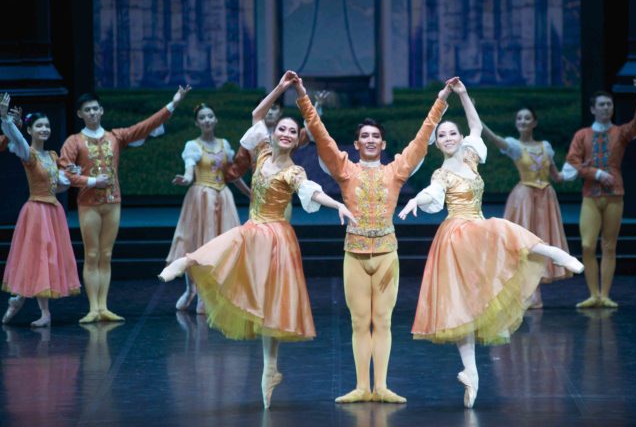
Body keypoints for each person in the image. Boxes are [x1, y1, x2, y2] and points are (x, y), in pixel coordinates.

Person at [159, 72, 355, 409]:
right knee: (230, 243)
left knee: (270, 307)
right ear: (275, 133)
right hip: (255, 226)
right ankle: (187, 261)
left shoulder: (295, 171)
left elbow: (314, 192)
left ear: (296, 140)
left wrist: (338, 203)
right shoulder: (262, 152)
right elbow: (256, 117)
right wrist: (280, 89)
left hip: (276, 237)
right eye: (282, 129)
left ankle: (270, 369)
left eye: (292, 131)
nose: (285, 133)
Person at [398, 79, 583, 408]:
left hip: (477, 227)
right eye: (442, 135)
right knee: (462, 306)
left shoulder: (470, 158)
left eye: (452, 133)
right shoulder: (440, 174)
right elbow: (433, 194)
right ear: (437, 143)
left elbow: (475, 126)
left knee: (504, 233)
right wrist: (417, 201)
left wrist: (464, 94)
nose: (449, 138)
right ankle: (471, 373)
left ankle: (556, 254)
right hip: (456, 236)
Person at [294, 74, 450, 404]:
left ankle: (381, 386)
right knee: (359, 322)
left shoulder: (394, 170)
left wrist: (441, 100)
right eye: (364, 136)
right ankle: (361, 387)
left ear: (383, 144)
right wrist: (302, 96)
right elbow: (320, 137)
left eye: (375, 136)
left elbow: (423, 138)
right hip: (354, 254)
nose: (369, 140)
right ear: (356, 143)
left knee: (383, 321)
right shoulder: (346, 169)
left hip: (386, 255)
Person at [59, 86, 191, 323]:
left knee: (106, 254)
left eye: (95, 109)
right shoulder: (74, 142)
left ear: (102, 110)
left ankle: (104, 306)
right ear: (80, 114)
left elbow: (145, 126)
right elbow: (63, 174)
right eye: (87, 110)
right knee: (92, 254)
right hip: (88, 203)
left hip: (113, 202)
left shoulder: (115, 137)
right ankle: (93, 308)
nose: (92, 113)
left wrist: (174, 103)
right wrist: (90, 180)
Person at [564, 77, 636, 308]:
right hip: (591, 195)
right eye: (601, 104)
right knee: (588, 245)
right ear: (593, 109)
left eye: (609, 104)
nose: (605, 108)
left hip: (614, 195)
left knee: (609, 245)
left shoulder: (620, 132)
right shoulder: (583, 135)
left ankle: (605, 295)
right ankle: (593, 293)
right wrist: (597, 174)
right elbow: (572, 162)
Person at [0, 93, 81, 326]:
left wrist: (70, 176)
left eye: (47, 125)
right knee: (38, 256)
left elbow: (58, 188)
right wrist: (5, 120)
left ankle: (30, 305)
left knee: (48, 258)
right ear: (31, 131)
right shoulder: (29, 155)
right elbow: (18, 141)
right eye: (39, 126)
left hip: (53, 211)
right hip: (36, 212)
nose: (44, 129)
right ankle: (29, 304)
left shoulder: (52, 156)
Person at [482, 108, 571, 308]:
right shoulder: (514, 145)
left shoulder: (545, 147)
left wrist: (574, 171)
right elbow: (496, 139)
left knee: (542, 243)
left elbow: (557, 176)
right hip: (524, 199)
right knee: (524, 246)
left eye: (527, 118)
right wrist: (478, 122)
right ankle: (526, 294)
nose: (523, 121)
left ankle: (532, 293)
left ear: (534, 122)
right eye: (519, 118)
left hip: (545, 198)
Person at [166, 103, 250, 315]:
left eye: (210, 116)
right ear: (197, 123)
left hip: (222, 197)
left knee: (223, 247)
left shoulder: (224, 145)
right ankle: (192, 290)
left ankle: (216, 293)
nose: (207, 120)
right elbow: (189, 169)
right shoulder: (193, 146)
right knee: (196, 245)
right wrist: (185, 179)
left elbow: (232, 174)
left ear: (215, 119)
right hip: (201, 198)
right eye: (202, 117)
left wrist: (249, 193)